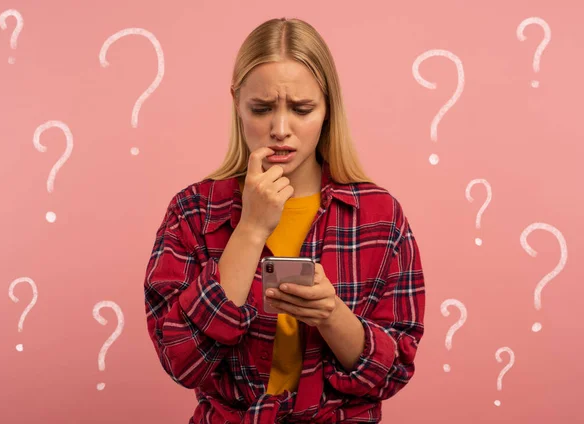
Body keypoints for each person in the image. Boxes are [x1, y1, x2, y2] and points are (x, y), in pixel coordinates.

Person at [144, 17, 426, 424]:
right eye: (261, 108)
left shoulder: (379, 216)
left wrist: (331, 314)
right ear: (237, 103)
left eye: (302, 108)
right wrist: (252, 228)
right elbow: (181, 361)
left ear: (328, 108)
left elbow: (394, 370)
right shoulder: (193, 211)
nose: (280, 130)